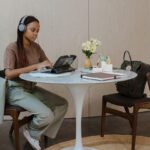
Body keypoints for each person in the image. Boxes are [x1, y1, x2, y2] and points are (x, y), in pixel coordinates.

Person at [4, 15, 68, 150]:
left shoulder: (36, 47)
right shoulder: (12, 48)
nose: (36, 33)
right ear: (22, 28)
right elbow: (8, 74)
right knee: (46, 114)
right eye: (33, 30)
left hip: (31, 88)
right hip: (16, 90)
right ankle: (32, 131)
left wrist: (58, 65)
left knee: (62, 104)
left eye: (38, 31)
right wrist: (35, 66)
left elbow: (47, 63)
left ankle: (33, 132)